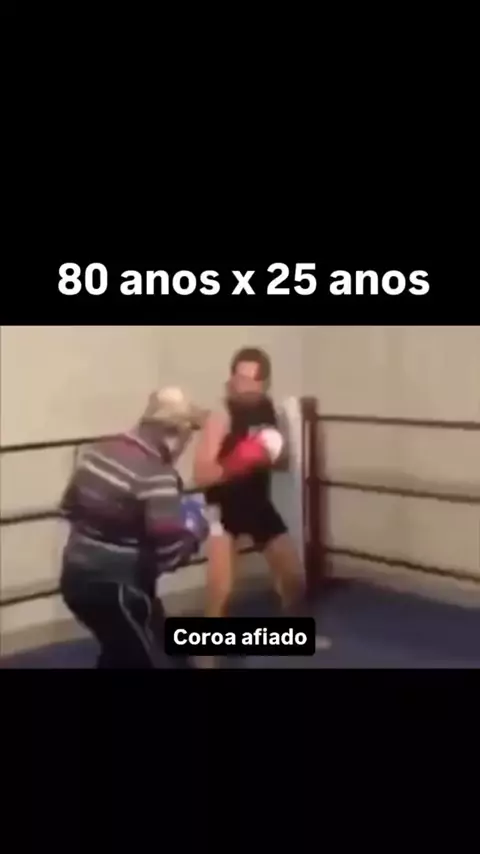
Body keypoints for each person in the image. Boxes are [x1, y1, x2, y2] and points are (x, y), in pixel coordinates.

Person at [59, 387, 208, 669]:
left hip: (75, 578)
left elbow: (68, 508)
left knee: (132, 649)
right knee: (145, 661)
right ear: (176, 435)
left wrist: (115, 527)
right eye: (188, 436)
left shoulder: (97, 451)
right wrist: (194, 530)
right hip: (118, 590)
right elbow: (169, 557)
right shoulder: (157, 476)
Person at [193, 347, 307, 627]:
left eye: (249, 380)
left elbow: (280, 462)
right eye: (238, 378)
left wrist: (270, 455)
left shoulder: (268, 409)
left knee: (293, 577)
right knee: (221, 590)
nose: (241, 386)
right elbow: (201, 474)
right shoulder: (221, 415)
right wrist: (237, 462)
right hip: (223, 506)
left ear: (263, 383)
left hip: (257, 502)